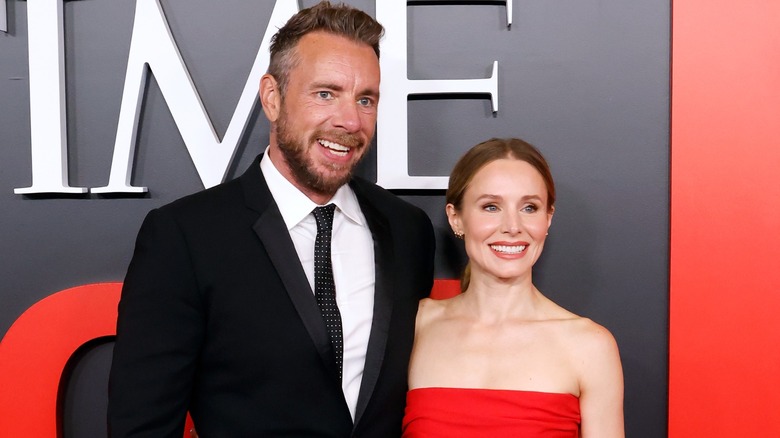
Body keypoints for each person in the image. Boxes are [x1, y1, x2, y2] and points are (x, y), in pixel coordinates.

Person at [108, 2, 435, 437]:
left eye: (365, 100)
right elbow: (142, 426)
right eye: (326, 94)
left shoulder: (407, 230)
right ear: (272, 98)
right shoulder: (185, 237)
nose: (350, 121)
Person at [402, 138, 624, 437]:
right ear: (456, 218)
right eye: (491, 206)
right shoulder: (417, 325)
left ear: (548, 218)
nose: (512, 226)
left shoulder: (589, 345)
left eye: (529, 207)